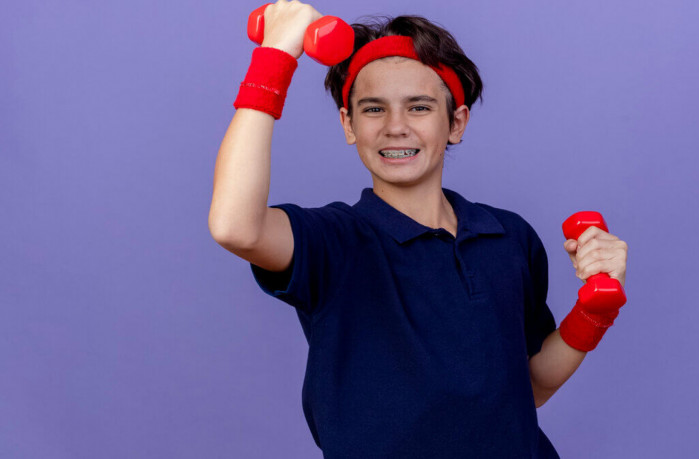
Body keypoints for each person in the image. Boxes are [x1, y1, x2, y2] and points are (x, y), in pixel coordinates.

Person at [209, 1, 629, 457]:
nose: (396, 127)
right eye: (373, 109)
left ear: (456, 122)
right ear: (349, 125)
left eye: (419, 107)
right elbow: (235, 227)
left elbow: (531, 387)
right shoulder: (333, 240)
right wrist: (276, 55)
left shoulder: (508, 236)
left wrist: (593, 312)